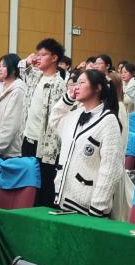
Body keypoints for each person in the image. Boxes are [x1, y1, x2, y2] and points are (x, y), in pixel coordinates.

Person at [49, 69, 125, 216]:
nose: (76, 87)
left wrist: (98, 206)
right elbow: (54, 120)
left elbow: (111, 168)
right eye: (76, 83)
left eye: (82, 83)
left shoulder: (108, 120)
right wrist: (67, 99)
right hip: (64, 199)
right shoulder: (76, 115)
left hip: (89, 206)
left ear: (98, 88)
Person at [21, 38, 69, 207]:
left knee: (44, 184)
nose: (38, 58)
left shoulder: (58, 84)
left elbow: (58, 118)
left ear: (54, 58)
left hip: (45, 144)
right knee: (27, 182)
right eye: (38, 54)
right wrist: (28, 60)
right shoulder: (36, 77)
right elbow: (22, 69)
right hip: (28, 137)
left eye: (43, 55)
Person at [0, 54, 26, 158]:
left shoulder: (18, 91)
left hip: (8, 152)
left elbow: (11, 124)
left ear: (14, 69)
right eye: (0, 66)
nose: (0, 69)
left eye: (4, 66)